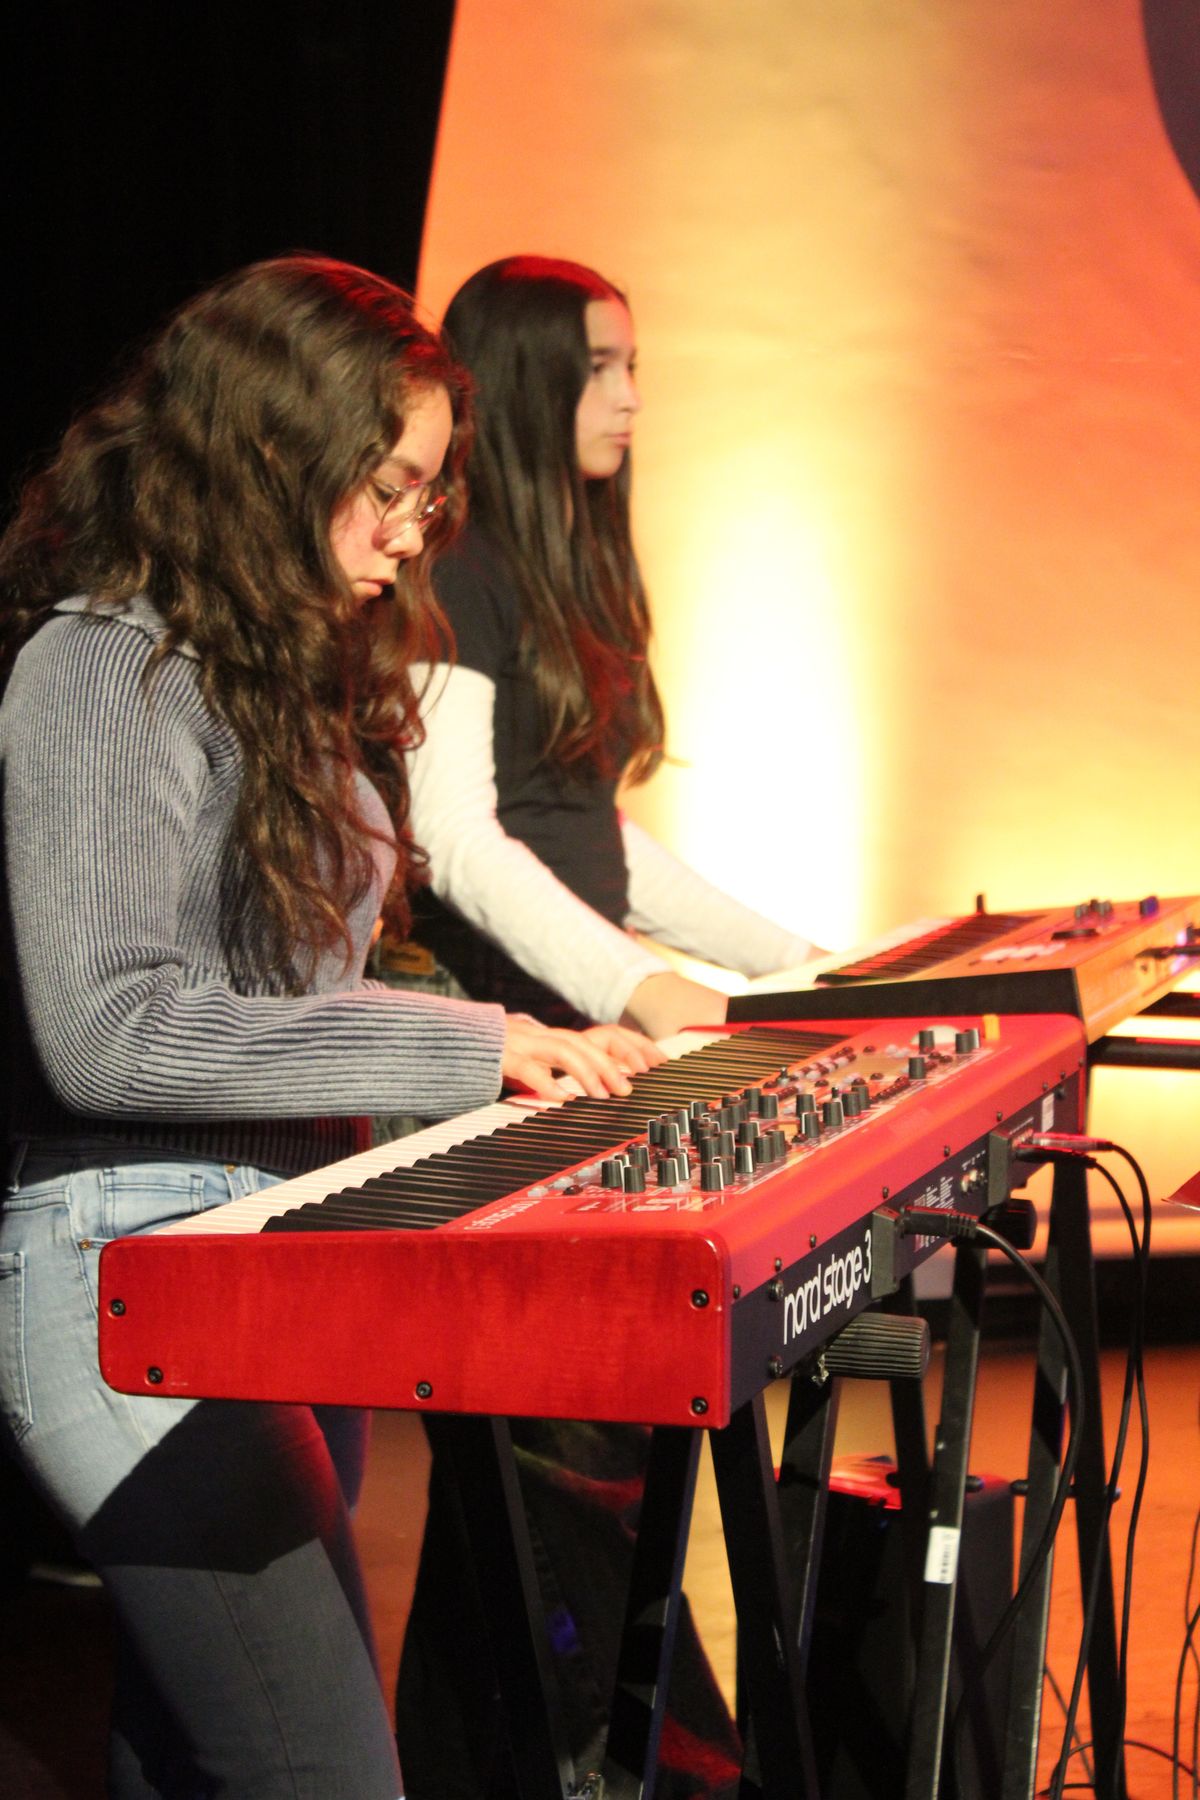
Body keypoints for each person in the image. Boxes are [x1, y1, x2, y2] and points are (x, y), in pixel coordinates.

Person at [0, 252, 656, 1800]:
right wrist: (469, 1044)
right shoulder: (99, 668)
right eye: (389, 486)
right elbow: (108, 1032)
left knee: (195, 1755)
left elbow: (284, 1002)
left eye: (428, 494)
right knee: (323, 1771)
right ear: (271, 455)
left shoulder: (263, 671)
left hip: (276, 1262)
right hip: (129, 1274)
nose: (412, 530)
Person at [392, 255, 824, 1800]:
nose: (635, 397)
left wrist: (802, 964)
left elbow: (592, 838)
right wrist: (641, 987)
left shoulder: (557, 569)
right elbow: (458, 841)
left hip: (582, 1049)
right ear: (523, 380)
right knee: (549, 1476)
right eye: (605, 367)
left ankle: (501, 1762)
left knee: (548, 1493)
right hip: (499, 1058)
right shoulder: (455, 575)